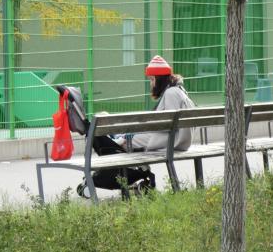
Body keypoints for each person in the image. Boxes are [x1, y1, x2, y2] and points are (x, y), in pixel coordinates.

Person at [77, 55, 195, 198]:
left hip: (171, 141)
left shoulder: (171, 93)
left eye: (152, 80)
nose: (151, 84)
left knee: (119, 140)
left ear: (160, 79)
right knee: (123, 134)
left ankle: (116, 149)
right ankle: (125, 151)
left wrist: (139, 128)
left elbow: (168, 125)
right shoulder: (179, 90)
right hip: (174, 140)